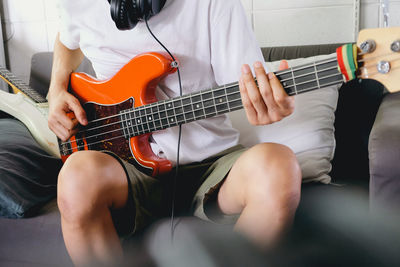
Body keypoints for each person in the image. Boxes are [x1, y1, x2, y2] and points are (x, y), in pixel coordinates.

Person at [49, 0, 301, 265]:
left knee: (279, 166)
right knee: (75, 178)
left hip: (213, 165)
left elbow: (247, 86)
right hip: (126, 170)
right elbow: (67, 38)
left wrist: (267, 103)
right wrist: (55, 88)